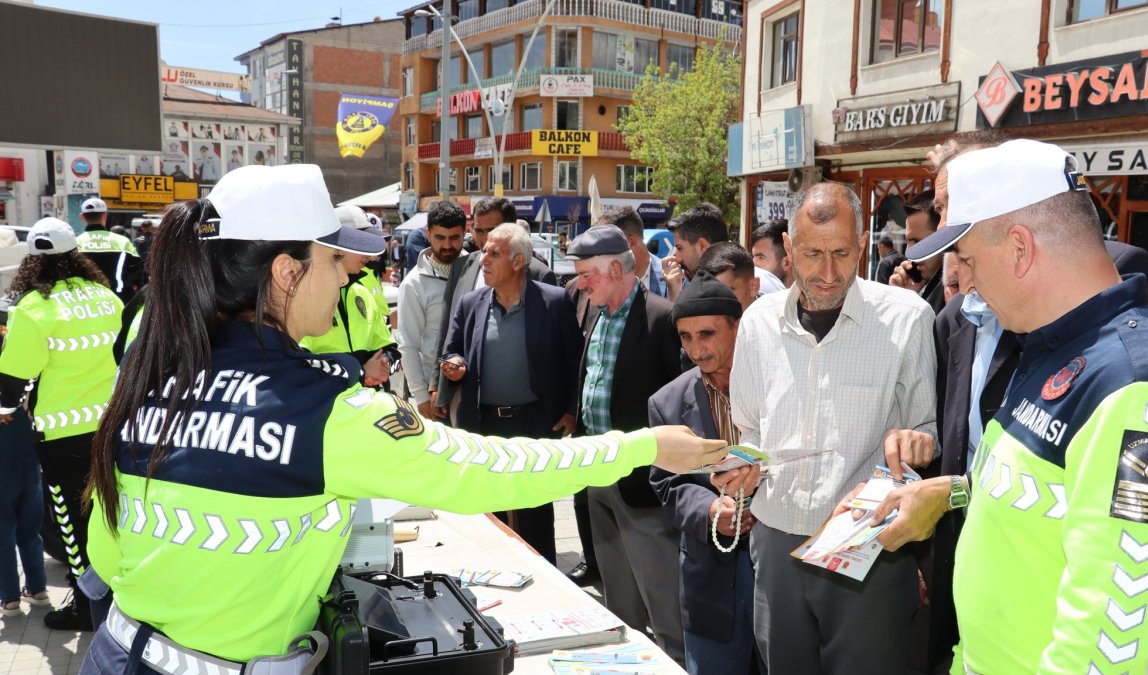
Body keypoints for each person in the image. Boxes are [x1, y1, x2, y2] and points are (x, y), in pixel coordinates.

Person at [77, 163, 727, 673]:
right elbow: (496, 469)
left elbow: (108, 551)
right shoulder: (326, 414)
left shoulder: (150, 378)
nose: (346, 280)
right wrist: (641, 445)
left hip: (115, 654)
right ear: (284, 273)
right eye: (333, 260)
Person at [863, 139, 1148, 674]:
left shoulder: (1146, 392)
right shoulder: (1052, 347)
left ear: (1019, 248)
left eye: (967, 259)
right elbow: (1047, 493)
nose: (963, 282)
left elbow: (1113, 642)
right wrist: (948, 493)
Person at [727, 181, 937, 674]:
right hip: (776, 544)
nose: (826, 272)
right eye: (812, 254)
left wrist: (919, 443)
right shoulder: (757, 323)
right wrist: (738, 467)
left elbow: (925, 430)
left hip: (869, 550)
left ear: (863, 245)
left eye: (842, 253)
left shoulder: (909, 320)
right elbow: (750, 430)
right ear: (787, 250)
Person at [0, 218, 123, 631]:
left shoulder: (34, 309)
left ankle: (86, 605)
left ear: (33, 260)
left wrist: (6, 407)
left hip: (60, 434)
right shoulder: (106, 297)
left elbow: (13, 379)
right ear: (76, 254)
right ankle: (117, 595)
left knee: (71, 521)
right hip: (111, 425)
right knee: (109, 512)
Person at [571, 226, 686, 662]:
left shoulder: (660, 318)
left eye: (587, 275)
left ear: (615, 269)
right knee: (619, 605)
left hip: (643, 485)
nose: (579, 284)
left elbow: (677, 404)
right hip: (598, 476)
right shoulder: (595, 312)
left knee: (665, 607)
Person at [440, 224, 583, 562]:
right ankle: (495, 572)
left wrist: (570, 409)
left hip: (534, 422)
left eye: (494, 253)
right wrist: (454, 363)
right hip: (484, 424)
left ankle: (544, 575)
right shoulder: (470, 303)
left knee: (534, 510)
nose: (483, 260)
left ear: (518, 262)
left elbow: (575, 360)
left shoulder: (554, 301)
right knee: (490, 511)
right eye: (484, 251)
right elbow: (450, 350)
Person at [648, 272, 760, 675]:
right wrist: (713, 511)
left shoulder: (776, 385)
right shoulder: (667, 403)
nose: (697, 349)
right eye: (685, 337)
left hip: (779, 567)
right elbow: (667, 483)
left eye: (708, 333)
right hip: (710, 577)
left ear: (738, 324)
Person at [432, 197, 555, 420]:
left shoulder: (539, 273)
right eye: (478, 230)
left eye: (492, 230)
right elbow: (446, 331)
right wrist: (437, 386)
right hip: (466, 397)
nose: (484, 238)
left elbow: (555, 348)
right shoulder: (462, 266)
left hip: (525, 408)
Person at [300, 206, 397, 388]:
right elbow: (298, 365)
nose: (369, 256)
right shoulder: (306, 297)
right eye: (361, 245)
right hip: (326, 411)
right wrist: (361, 372)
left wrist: (384, 363)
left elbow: (389, 346)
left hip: (366, 405)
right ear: (337, 245)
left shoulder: (362, 293)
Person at [397, 201, 466, 418]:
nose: (447, 245)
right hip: (435, 393)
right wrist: (421, 397)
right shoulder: (413, 284)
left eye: (454, 238)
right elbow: (408, 345)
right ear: (428, 234)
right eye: (440, 238)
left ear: (466, 233)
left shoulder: (478, 270)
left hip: (476, 389)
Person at [670, 203, 785, 296]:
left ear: (702, 246)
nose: (677, 258)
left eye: (680, 248)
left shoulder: (763, 283)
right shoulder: (687, 283)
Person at [0, 407, 51, 617]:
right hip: (30, 463)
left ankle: (10, 599)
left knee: (3, 536)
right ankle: (38, 590)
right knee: (30, 533)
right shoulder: (20, 386)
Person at [76, 198, 143, 302]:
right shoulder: (123, 242)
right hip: (119, 301)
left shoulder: (75, 244)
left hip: (86, 302)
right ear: (105, 215)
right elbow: (139, 273)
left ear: (82, 217)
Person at [888, 190, 945, 313]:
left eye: (917, 242)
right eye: (907, 242)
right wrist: (904, 297)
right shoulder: (925, 288)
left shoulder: (952, 291)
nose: (909, 252)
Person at [600, 206, 667, 298]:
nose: (601, 254)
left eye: (607, 246)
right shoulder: (603, 282)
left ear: (630, 242)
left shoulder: (673, 280)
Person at [696, 242, 760, 310]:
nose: (717, 303)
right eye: (708, 295)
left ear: (753, 287)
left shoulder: (770, 317)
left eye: (726, 293)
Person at [750, 219, 793, 289]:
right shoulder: (754, 296)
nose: (753, 263)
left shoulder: (809, 298)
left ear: (787, 262)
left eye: (761, 257)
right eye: (753, 256)